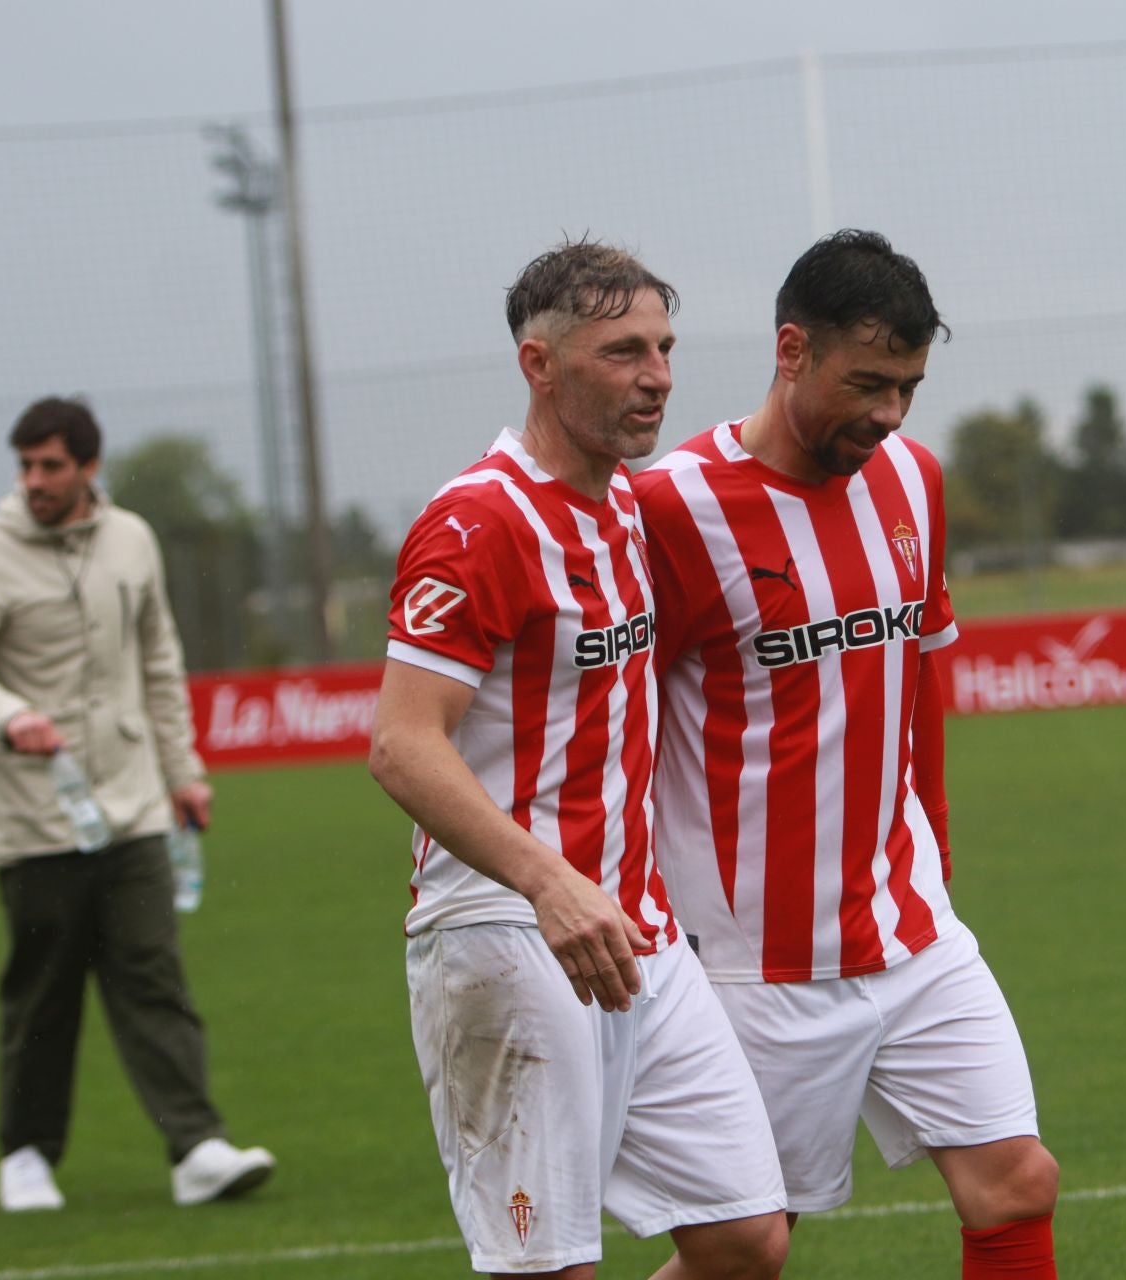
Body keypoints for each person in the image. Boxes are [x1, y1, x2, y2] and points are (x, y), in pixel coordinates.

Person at [634, 229, 1061, 1279]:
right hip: (750, 961)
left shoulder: (914, 479)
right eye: (868, 382)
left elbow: (918, 689)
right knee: (746, 1250)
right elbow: (622, 735)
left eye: (909, 386)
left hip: (913, 929)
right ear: (791, 350)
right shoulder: (670, 509)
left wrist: (937, 854)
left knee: (1016, 1180)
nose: (890, 414)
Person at [367, 238, 789, 1280]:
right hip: (510, 927)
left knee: (744, 1238)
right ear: (540, 365)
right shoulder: (478, 521)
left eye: (664, 347)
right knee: (549, 1265)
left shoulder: (624, 513)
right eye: (622, 352)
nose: (657, 375)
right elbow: (400, 742)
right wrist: (550, 880)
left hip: (636, 932)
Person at [0, 397, 275, 1212]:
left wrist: (184, 771)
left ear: (89, 467)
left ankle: (196, 1148)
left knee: (155, 980)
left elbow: (159, 661)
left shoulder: (132, 540)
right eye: (26, 466)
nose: (35, 482)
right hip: (36, 821)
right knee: (43, 995)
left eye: (51, 465)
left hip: (135, 810)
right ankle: (26, 1156)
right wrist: (9, 716)